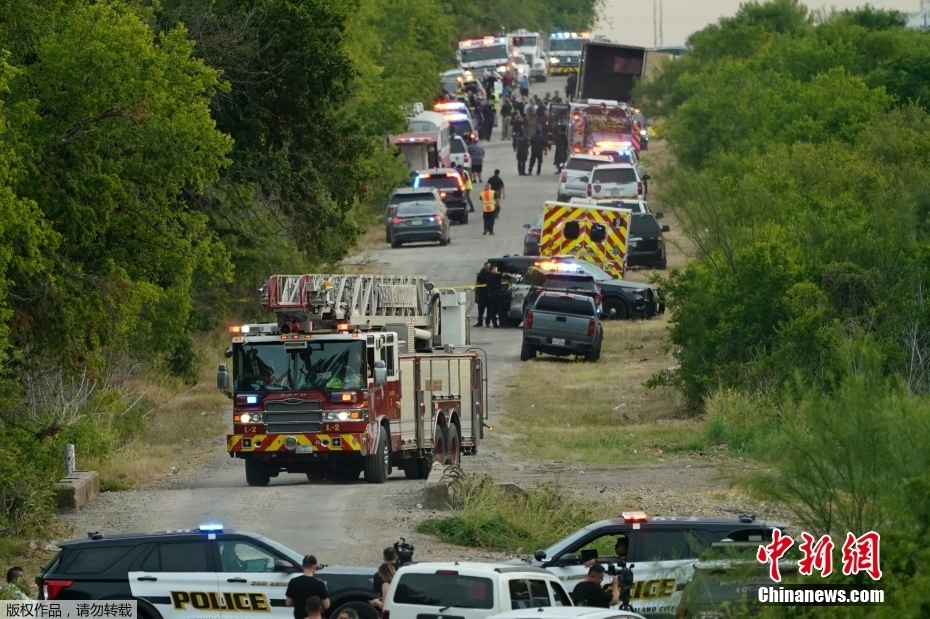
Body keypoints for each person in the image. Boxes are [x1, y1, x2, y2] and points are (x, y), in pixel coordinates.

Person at [475, 262, 493, 326]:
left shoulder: (492, 274)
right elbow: (477, 284)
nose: (488, 267)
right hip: (482, 293)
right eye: (486, 266)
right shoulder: (480, 274)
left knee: (489, 309)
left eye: (489, 266)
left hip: (489, 294)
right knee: (480, 309)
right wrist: (476, 293)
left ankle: (488, 322)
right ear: (484, 266)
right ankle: (480, 322)